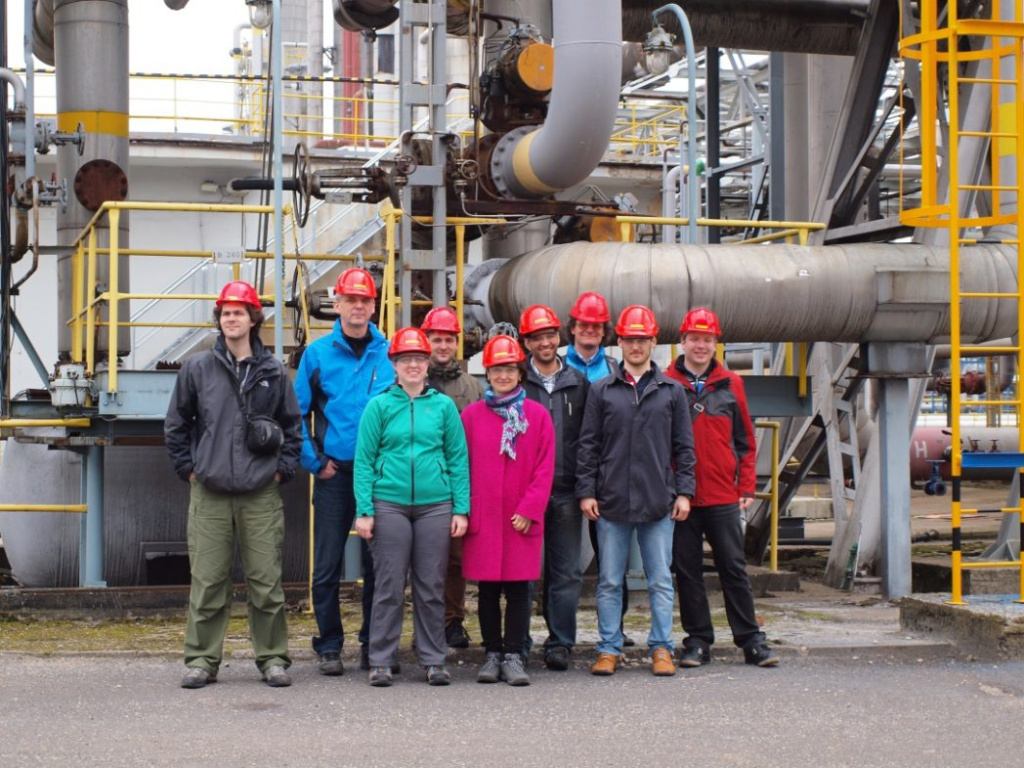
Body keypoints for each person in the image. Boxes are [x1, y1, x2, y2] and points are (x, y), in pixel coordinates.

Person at [166, 280, 303, 689]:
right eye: (225, 312)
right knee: (208, 581)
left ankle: (273, 658)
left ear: (253, 318)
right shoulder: (197, 368)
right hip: (209, 492)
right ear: (219, 318)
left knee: (266, 583)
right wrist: (189, 469)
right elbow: (176, 424)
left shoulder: (273, 372)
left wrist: (281, 471)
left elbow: (293, 428)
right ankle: (202, 660)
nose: (231, 318)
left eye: (238, 311)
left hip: (260, 493)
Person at [577, 304, 696, 677]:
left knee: (660, 580)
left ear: (653, 342)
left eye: (642, 339)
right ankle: (609, 648)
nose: (636, 346)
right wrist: (587, 491)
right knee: (610, 581)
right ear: (621, 341)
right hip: (611, 501)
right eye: (629, 339)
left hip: (659, 502)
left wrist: (684, 493)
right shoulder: (602, 391)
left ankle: (662, 648)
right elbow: (588, 446)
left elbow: (684, 448)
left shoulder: (672, 393)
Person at [354, 327, 471, 687]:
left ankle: (433, 659)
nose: (413, 366)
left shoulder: (443, 407)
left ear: (427, 363)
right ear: (395, 364)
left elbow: (457, 458)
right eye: (406, 360)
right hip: (388, 503)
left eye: (419, 359)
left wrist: (461, 508)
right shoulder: (379, 406)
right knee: (389, 583)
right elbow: (364, 461)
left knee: (431, 584)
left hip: (436, 504)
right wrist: (364, 509)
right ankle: (381, 660)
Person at [294, 267, 394, 676]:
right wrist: (315, 462)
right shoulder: (316, 355)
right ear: (336, 305)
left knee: (379, 565)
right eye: (350, 300)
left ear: (374, 306)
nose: (358, 307)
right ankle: (330, 644)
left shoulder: (389, 353)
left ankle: (374, 644)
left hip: (380, 476)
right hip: (336, 474)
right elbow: (295, 414)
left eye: (365, 300)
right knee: (327, 563)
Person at [665, 307, 778, 668]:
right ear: (682, 341)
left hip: (723, 496)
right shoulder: (667, 383)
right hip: (682, 498)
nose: (700, 345)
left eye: (707, 339)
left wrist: (746, 485)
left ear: (716, 344)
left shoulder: (732, 384)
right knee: (687, 571)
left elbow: (745, 439)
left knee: (733, 567)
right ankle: (698, 641)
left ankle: (751, 640)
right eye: (694, 338)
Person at [461, 335, 555, 686]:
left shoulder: (538, 416)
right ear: (488, 372)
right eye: (497, 369)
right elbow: (460, 465)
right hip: (485, 516)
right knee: (486, 590)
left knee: (519, 590)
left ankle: (514, 655)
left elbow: (545, 467)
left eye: (509, 369)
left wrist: (531, 508)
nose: (503, 375)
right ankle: (492, 654)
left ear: (520, 372)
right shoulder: (471, 416)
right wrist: (466, 509)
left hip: (520, 518)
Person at [519, 304, 589, 671]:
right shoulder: (515, 381)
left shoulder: (579, 383)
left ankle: (560, 642)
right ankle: (520, 640)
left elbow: (590, 439)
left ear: (559, 337)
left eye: (549, 335)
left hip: (565, 490)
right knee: (525, 570)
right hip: (527, 493)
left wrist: (586, 485)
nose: (544, 342)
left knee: (566, 571)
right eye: (536, 337)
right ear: (526, 342)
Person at [564, 291, 632, 646]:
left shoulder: (616, 370)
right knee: (561, 563)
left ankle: (615, 629)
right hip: (564, 474)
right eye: (583, 325)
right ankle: (560, 634)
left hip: (605, 478)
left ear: (604, 331)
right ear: (572, 328)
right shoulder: (560, 367)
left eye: (596, 326)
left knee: (611, 561)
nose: (589, 331)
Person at [421, 306, 484, 650]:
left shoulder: (471, 385)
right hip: (421, 484)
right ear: (426, 340)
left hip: (458, 484)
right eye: (436, 339)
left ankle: (453, 621)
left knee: (456, 559)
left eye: (448, 339)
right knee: (424, 559)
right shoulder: (414, 379)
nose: (442, 346)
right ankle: (426, 622)